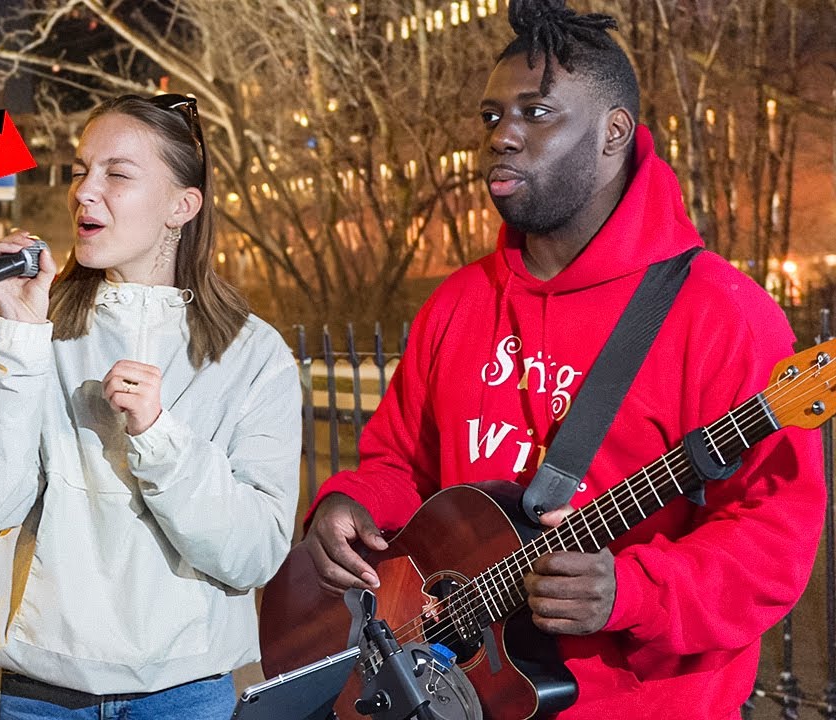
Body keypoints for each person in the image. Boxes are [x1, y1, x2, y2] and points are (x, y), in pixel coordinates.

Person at [301, 1, 826, 718]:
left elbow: (774, 540)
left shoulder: (723, 314)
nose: (503, 137)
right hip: (463, 696)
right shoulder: (457, 303)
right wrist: (350, 501)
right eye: (492, 117)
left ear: (614, 132)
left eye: (536, 113)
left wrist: (634, 592)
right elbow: (403, 462)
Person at [0, 94, 302, 719]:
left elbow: (256, 554)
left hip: (185, 690)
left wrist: (161, 438)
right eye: (81, 170)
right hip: (43, 689)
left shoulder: (253, 353)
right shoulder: (30, 329)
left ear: (181, 206)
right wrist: (18, 340)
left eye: (117, 173)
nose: (86, 191)